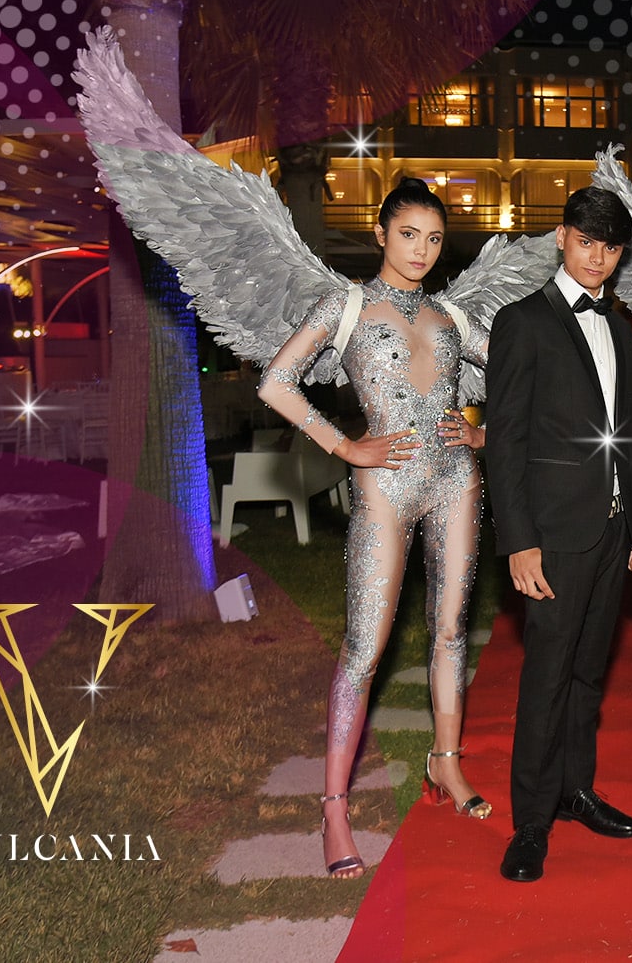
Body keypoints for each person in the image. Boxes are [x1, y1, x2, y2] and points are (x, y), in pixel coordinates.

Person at [258, 177, 493, 879]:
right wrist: (344, 445)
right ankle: (334, 807)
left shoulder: (452, 316)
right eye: (408, 234)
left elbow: (524, 376)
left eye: (434, 238)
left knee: (451, 629)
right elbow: (275, 382)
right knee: (365, 646)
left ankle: (446, 763)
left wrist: (485, 434)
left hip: (456, 482)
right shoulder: (347, 306)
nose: (421, 250)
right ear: (381, 234)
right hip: (385, 488)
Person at [484, 186, 632, 883]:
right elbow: (505, 441)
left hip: (612, 530)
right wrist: (518, 540)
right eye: (587, 242)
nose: (597, 259)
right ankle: (530, 822)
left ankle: (575, 791)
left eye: (610, 248)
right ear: (561, 237)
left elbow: (625, 434)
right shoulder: (521, 321)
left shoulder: (620, 326)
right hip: (552, 533)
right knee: (547, 676)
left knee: (588, 672)